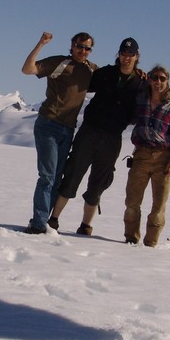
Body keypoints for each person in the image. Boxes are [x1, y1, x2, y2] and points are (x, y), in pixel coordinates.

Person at [47, 37, 144, 236]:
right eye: (123, 54)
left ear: (137, 56)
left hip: (112, 138)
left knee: (98, 183)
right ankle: (53, 220)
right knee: (72, 175)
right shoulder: (104, 74)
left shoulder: (140, 84)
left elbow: (152, 104)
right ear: (119, 54)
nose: (126, 58)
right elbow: (80, 81)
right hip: (89, 132)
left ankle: (85, 226)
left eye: (130, 55)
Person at [21, 31, 97, 234]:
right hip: (49, 125)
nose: (82, 51)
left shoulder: (91, 70)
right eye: (79, 46)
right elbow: (27, 69)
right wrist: (41, 44)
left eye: (87, 48)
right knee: (47, 177)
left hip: (68, 129)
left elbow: (111, 78)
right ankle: (38, 224)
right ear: (72, 46)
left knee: (57, 177)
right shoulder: (60, 63)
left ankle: (43, 221)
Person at [123, 64, 170, 247]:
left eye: (162, 79)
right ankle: (131, 239)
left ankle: (151, 243)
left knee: (159, 205)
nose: (158, 82)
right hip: (141, 155)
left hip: (162, 157)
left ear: (168, 82)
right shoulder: (140, 100)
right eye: (155, 78)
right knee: (132, 201)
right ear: (149, 80)